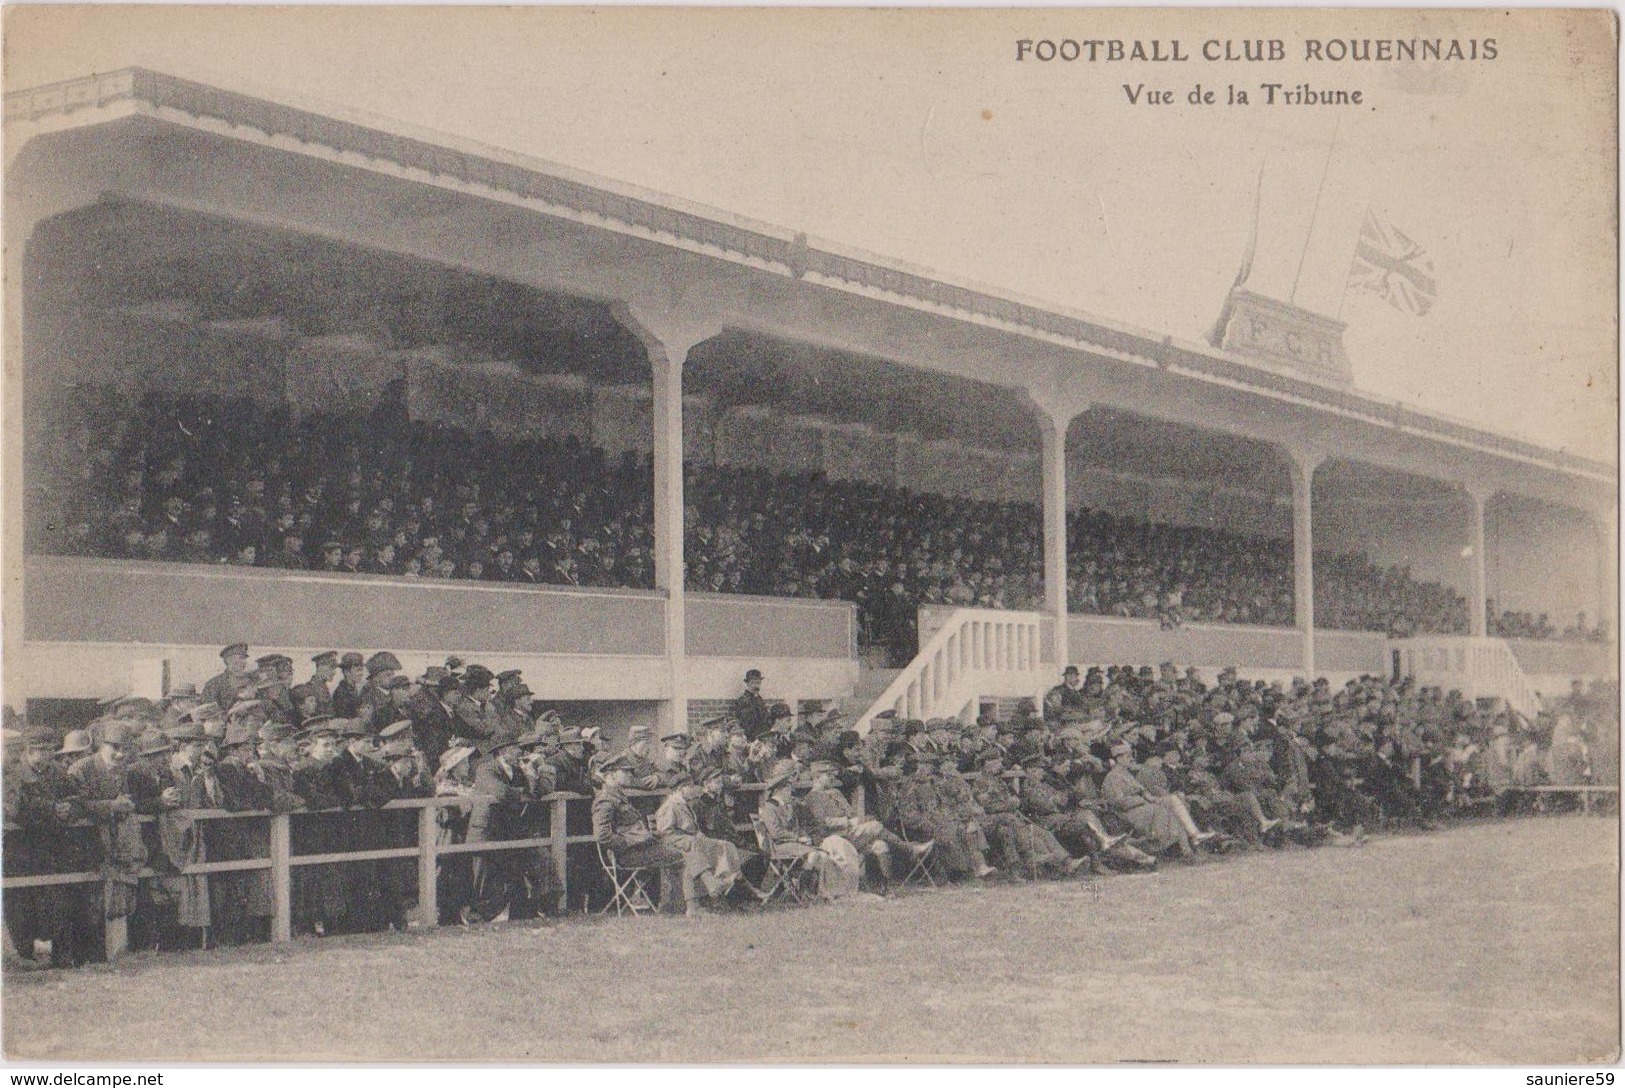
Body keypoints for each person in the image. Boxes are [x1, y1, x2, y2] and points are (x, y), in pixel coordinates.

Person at [803, 760, 931, 895]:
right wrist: (848, 822)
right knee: (876, 826)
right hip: (833, 839)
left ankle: (886, 889)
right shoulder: (812, 797)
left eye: (831, 774)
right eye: (827, 775)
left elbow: (850, 812)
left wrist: (859, 821)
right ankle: (910, 849)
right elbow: (823, 823)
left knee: (880, 845)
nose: (832, 778)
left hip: (850, 835)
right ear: (816, 777)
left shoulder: (836, 793)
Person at [590, 753, 685, 914]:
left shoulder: (619, 796)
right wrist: (630, 842)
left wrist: (647, 836)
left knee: (679, 847)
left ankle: (677, 904)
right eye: (624, 772)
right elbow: (602, 836)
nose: (629, 775)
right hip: (624, 855)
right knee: (677, 855)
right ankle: (674, 907)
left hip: (639, 849)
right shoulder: (605, 800)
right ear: (611, 775)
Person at [654, 770, 745, 914]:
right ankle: (713, 887)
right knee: (696, 849)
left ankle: (727, 877)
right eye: (689, 786)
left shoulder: (685, 804)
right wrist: (689, 838)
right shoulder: (670, 805)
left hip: (693, 841)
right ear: (680, 789)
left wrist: (698, 835)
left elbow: (693, 828)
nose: (692, 789)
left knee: (725, 845)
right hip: (680, 843)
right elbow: (664, 833)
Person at [756, 768, 852, 900]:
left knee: (824, 856)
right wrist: (798, 838)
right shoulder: (770, 808)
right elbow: (776, 832)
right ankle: (802, 888)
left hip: (793, 843)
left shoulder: (789, 805)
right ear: (778, 791)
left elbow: (797, 826)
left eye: (790, 789)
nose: (790, 793)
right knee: (814, 854)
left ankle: (821, 891)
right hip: (779, 845)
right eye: (788, 790)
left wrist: (805, 836)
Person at [202, 643, 255, 713]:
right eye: (241, 658)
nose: (245, 662)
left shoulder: (252, 680)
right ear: (229, 660)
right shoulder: (213, 684)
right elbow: (208, 711)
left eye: (245, 658)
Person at [731, 668, 774, 741]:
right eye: (753, 683)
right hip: (750, 738)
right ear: (747, 684)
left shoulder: (759, 699)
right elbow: (746, 723)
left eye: (758, 683)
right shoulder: (743, 700)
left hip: (762, 737)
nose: (756, 686)